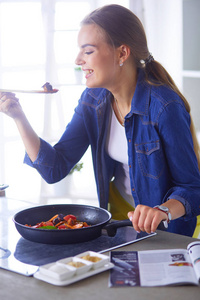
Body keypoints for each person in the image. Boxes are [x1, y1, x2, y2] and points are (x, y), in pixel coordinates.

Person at [1, 4, 200, 237]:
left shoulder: (165, 107)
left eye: (88, 51)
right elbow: (54, 169)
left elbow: (192, 189)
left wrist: (162, 211)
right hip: (117, 225)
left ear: (122, 53)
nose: (77, 60)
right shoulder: (92, 100)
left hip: (166, 231)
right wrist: (18, 116)